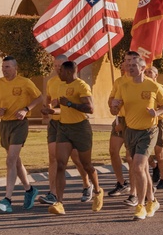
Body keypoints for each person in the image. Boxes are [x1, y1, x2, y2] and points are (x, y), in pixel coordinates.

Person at [109, 56, 163, 220]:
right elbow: (115, 110)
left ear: (143, 68)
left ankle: (140, 205)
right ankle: (153, 201)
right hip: (130, 131)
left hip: (148, 132)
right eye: (128, 65)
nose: (130, 68)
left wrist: (156, 112)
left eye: (134, 65)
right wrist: (114, 108)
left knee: (137, 166)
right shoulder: (123, 86)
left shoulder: (154, 85)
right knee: (141, 169)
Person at [46, 60, 103, 215]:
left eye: (62, 71)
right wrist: (51, 111)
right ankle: (59, 203)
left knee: (86, 165)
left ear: (70, 72)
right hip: (64, 128)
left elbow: (90, 109)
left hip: (81, 128)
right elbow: (61, 110)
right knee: (61, 164)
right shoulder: (61, 86)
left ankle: (98, 191)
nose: (59, 74)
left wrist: (70, 103)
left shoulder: (82, 86)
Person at [0, 56, 42, 213]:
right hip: (5, 124)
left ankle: (7, 200)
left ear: (15, 68)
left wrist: (26, 109)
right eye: (3, 67)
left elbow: (39, 97)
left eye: (8, 67)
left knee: (10, 160)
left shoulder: (25, 82)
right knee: (15, 161)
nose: (5, 70)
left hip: (19, 124)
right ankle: (29, 189)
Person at [39, 56, 90, 207]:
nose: (57, 68)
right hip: (55, 123)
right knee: (53, 157)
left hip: (71, 123)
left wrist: (58, 107)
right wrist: (47, 110)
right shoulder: (51, 82)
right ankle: (53, 193)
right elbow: (48, 99)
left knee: (76, 158)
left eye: (60, 65)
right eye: (55, 65)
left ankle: (87, 185)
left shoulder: (78, 84)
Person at [106, 52, 139, 201]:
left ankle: (134, 191)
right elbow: (112, 98)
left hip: (135, 121)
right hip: (120, 119)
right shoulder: (119, 81)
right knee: (113, 151)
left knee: (131, 157)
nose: (127, 63)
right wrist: (113, 105)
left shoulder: (142, 80)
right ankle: (121, 183)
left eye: (131, 60)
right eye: (126, 60)